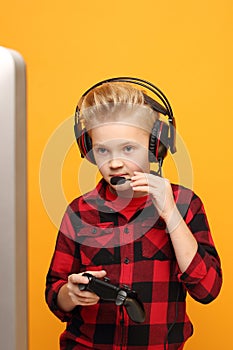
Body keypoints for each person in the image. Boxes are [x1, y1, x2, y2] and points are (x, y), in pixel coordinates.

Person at [45, 79, 222, 350]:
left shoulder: (185, 204)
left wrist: (170, 215)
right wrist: (69, 294)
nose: (114, 163)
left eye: (128, 149)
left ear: (155, 147)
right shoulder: (79, 211)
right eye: (103, 150)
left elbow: (208, 289)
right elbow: (55, 295)